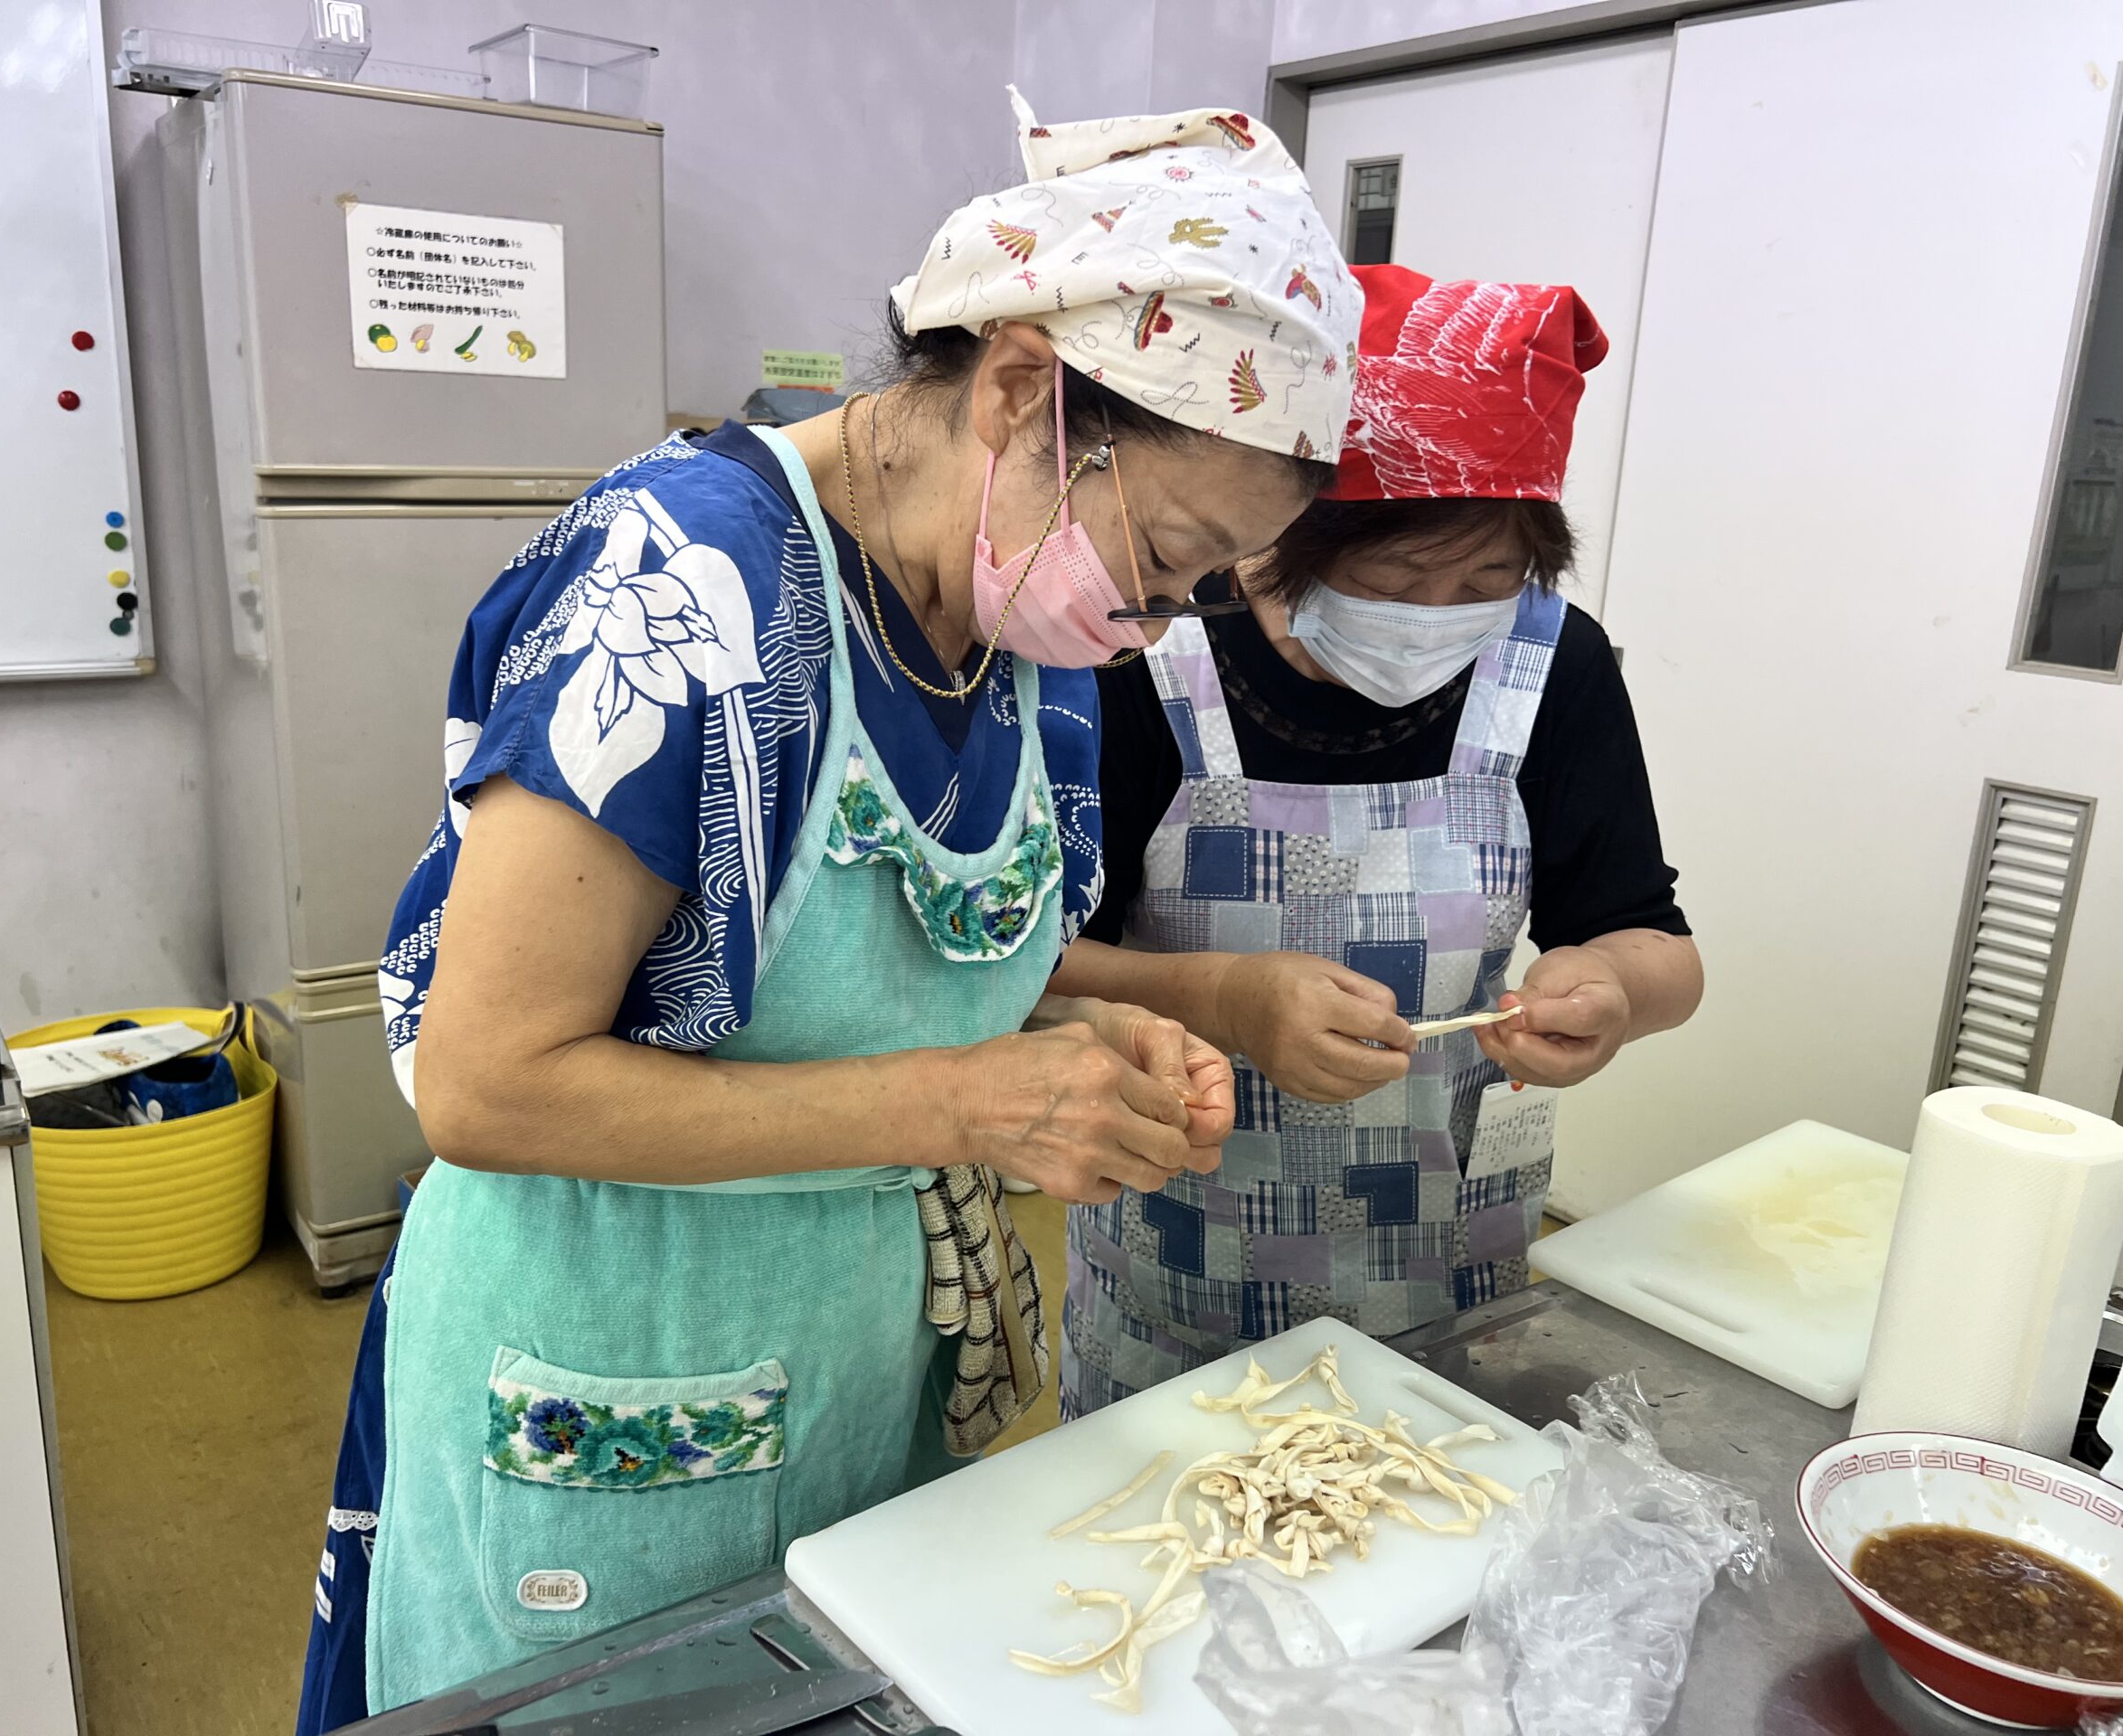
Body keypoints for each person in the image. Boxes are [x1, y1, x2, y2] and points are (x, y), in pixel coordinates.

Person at [295, 90, 1363, 1729]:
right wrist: (958, 1102)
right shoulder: (689, 597)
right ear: (1023, 392)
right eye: (1168, 550)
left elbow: (935, 962)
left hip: (860, 1362)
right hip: (613, 1370)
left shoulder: (1026, 629)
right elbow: (483, 1079)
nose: (1161, 618)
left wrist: (1134, 1034)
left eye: (1213, 582)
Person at [1050, 263, 1703, 1412]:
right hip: (1179, 1274)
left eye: (1489, 576)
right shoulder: (1142, 656)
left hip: (1450, 1285)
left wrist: (1605, 990)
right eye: (1398, 573)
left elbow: (1653, 945)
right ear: (1282, 533)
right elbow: (1025, 972)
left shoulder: (1554, 666)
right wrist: (1226, 997)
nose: (1438, 614)